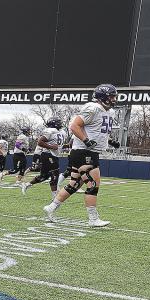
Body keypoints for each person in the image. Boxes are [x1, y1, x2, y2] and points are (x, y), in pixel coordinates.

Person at [43, 84, 118, 227]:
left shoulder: (110, 112)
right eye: (111, 96)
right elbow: (74, 126)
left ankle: (51, 207)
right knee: (93, 184)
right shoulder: (92, 108)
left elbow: (98, 131)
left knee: (75, 184)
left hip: (88, 151)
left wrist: (111, 141)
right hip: (84, 151)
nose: (114, 99)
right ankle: (93, 219)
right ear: (103, 97)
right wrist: (86, 141)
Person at [20, 117, 65, 199]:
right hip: (48, 155)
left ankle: (26, 184)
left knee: (44, 176)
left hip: (52, 155)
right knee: (55, 175)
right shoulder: (50, 130)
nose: (60, 123)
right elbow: (40, 142)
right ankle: (55, 197)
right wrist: (51, 147)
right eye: (58, 122)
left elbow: (58, 144)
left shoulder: (62, 132)